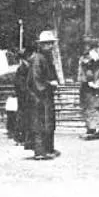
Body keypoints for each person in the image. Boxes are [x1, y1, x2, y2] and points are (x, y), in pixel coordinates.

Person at [26, 31, 62, 160]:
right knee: (39, 123)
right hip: (38, 96)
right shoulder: (37, 58)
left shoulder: (47, 58)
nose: (50, 46)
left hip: (45, 96)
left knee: (48, 122)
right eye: (47, 44)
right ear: (41, 45)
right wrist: (49, 84)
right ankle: (39, 151)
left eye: (51, 43)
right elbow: (36, 80)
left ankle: (48, 148)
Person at [13, 48, 31, 146]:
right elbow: (19, 84)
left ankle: (24, 137)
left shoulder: (26, 67)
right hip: (24, 96)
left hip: (25, 95)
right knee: (23, 116)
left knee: (25, 116)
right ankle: (20, 137)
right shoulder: (22, 68)